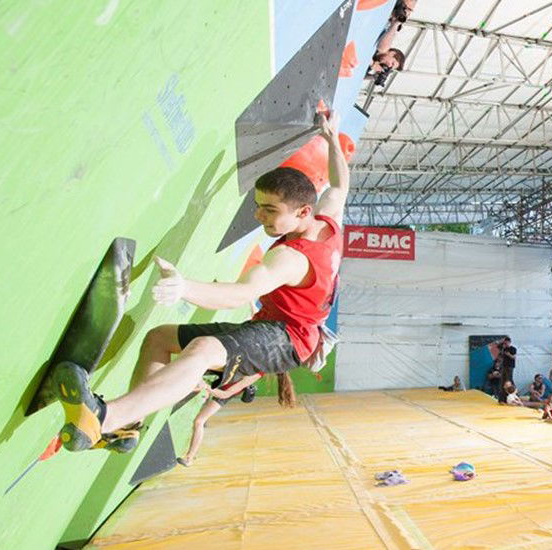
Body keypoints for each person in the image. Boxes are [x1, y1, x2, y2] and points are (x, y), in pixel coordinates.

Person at [50, 109, 349, 453]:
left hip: (289, 338)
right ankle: (126, 429)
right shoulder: (327, 221)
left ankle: (103, 419)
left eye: (269, 210)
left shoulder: (290, 258)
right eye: (258, 205)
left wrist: (185, 287)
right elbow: (340, 185)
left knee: (204, 350)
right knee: (159, 340)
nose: (258, 215)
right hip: (276, 327)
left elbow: (242, 293)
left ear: (301, 213)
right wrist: (331, 137)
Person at [176, 373, 263, 467]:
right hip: (219, 385)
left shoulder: (258, 372)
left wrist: (206, 387)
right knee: (199, 419)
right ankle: (191, 455)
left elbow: (225, 394)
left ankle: (190, 458)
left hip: (223, 393)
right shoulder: (253, 364)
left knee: (199, 421)